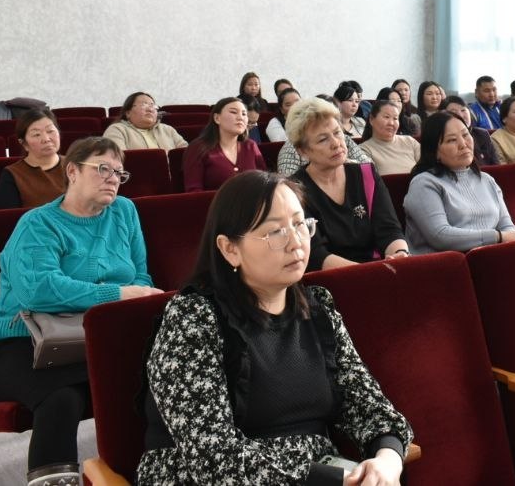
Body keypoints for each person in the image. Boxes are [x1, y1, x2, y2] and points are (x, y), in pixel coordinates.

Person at [136, 172, 413, 485]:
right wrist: (331, 479)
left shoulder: (318, 307)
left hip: (323, 474)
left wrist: (387, 459)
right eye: (276, 232)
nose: (296, 243)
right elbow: (213, 458)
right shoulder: (193, 318)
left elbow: (369, 406)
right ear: (230, 248)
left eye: (300, 224)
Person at [0, 136, 162, 486]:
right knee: (63, 398)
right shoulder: (39, 223)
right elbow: (38, 290)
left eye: (119, 173)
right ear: (72, 172)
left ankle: (144, 474)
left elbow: (141, 276)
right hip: (25, 340)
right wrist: (118, 294)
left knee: (159, 377)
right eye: (103, 169)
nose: (113, 178)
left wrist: (134, 297)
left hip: (96, 336)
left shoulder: (124, 211)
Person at [289, 98, 409, 270]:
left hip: (378, 269)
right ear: (302, 150)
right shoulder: (294, 191)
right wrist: (369, 273)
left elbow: (389, 229)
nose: (336, 143)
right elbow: (315, 254)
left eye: (337, 133)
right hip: (330, 277)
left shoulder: (366, 174)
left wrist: (400, 253)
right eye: (323, 139)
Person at [404, 112, 515, 254]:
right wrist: (497, 237)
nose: (463, 144)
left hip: (490, 258)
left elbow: (507, 226)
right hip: (447, 264)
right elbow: (440, 235)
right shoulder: (424, 183)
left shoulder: (487, 180)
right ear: (435, 151)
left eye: (466, 135)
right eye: (451, 140)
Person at [183, 97, 267, 192]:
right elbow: (194, 190)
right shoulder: (198, 147)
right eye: (233, 112)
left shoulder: (250, 146)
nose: (240, 117)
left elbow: (265, 182)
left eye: (244, 114)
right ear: (217, 118)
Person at [0, 108, 69, 209]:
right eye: (36, 134)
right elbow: (8, 215)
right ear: (24, 143)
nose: (46, 139)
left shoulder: (76, 164)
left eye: (50, 131)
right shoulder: (13, 174)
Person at [103, 92, 187, 151]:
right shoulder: (117, 130)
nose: (150, 109)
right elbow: (116, 160)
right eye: (144, 104)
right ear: (128, 113)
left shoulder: (168, 130)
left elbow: (186, 155)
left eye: (153, 106)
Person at [359, 100, 422, 175]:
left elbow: (427, 168)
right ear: (371, 119)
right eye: (386, 117)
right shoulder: (364, 150)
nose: (391, 123)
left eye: (395, 118)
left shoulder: (410, 141)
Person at [443, 95, 499, 167]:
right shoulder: (444, 138)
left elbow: (496, 165)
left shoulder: (482, 134)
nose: (460, 115)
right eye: (453, 112)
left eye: (463, 110)